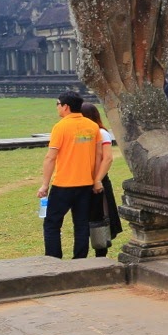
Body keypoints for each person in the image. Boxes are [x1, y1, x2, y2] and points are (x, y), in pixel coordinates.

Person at [37, 91, 99, 259]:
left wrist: (44, 185)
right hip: (85, 183)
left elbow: (50, 157)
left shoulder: (61, 127)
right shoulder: (92, 126)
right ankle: (80, 259)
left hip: (63, 184)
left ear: (66, 107)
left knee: (52, 223)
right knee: (81, 224)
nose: (57, 107)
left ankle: (54, 258)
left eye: (57, 104)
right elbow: (98, 155)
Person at [80, 104, 123, 257]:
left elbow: (108, 158)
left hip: (98, 180)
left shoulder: (101, 133)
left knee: (100, 217)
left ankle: (101, 253)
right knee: (85, 218)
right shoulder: (83, 134)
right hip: (84, 180)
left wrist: (97, 179)